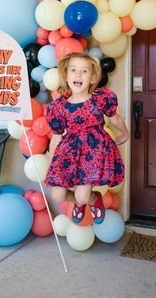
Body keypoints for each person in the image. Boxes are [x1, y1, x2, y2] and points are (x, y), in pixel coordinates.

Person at [44, 52, 129, 225]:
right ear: (66, 76)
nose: (78, 74)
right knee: (58, 194)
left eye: (84, 71)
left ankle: (92, 200)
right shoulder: (59, 107)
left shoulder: (100, 99)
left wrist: (125, 132)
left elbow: (114, 119)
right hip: (71, 153)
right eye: (73, 70)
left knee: (82, 195)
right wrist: (53, 167)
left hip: (93, 152)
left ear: (91, 78)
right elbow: (56, 137)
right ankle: (79, 203)